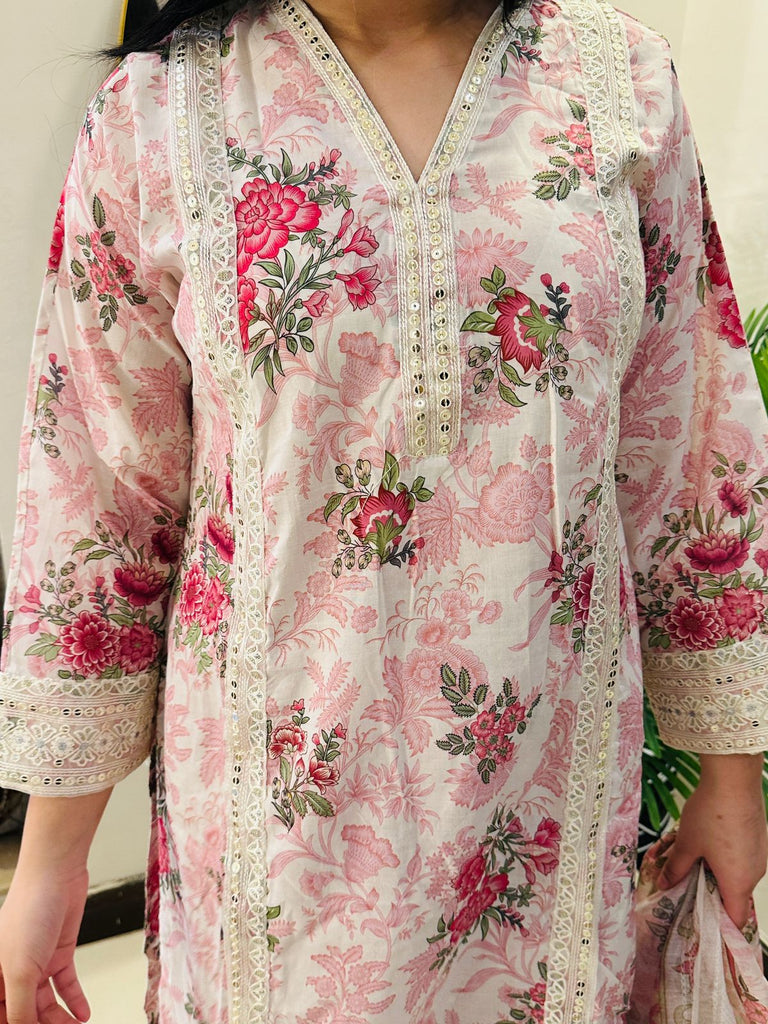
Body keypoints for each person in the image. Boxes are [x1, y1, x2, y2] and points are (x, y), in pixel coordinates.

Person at [0, 0, 766, 1021]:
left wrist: (730, 775)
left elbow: (691, 440)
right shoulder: (159, 110)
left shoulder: (618, 83)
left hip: (549, 821)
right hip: (268, 848)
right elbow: (100, 499)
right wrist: (51, 857)